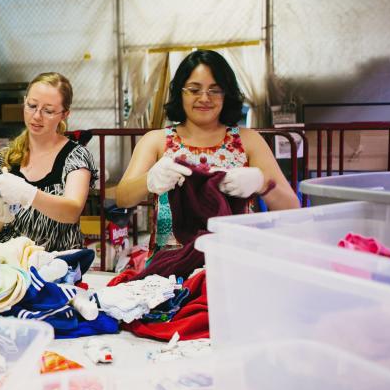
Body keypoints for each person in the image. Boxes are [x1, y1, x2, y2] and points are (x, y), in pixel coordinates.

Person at [116, 49, 300, 249]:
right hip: (170, 268)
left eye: (214, 90)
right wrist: (149, 180)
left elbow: (292, 207)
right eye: (194, 90)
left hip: (235, 259)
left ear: (226, 93)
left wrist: (262, 183)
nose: (205, 98)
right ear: (180, 92)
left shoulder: (249, 141)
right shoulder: (155, 141)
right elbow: (123, 198)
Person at [0, 72, 98, 251]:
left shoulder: (76, 156)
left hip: (57, 262)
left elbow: (72, 211)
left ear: (64, 114)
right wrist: (2, 211)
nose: (37, 116)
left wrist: (28, 194)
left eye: (48, 111)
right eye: (32, 106)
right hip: (10, 262)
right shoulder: (5, 159)